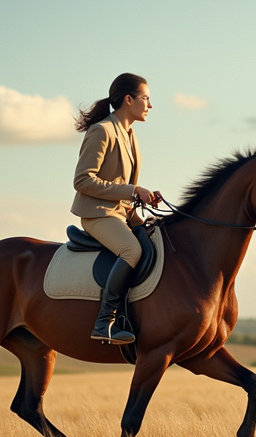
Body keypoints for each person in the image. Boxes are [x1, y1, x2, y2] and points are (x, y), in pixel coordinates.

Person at [71, 73, 161, 344]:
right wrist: (132, 190)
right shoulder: (102, 130)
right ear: (128, 99)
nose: (150, 105)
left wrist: (142, 196)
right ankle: (104, 322)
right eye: (146, 98)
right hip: (98, 214)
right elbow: (82, 180)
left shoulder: (130, 135)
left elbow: (123, 183)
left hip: (123, 212)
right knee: (131, 250)